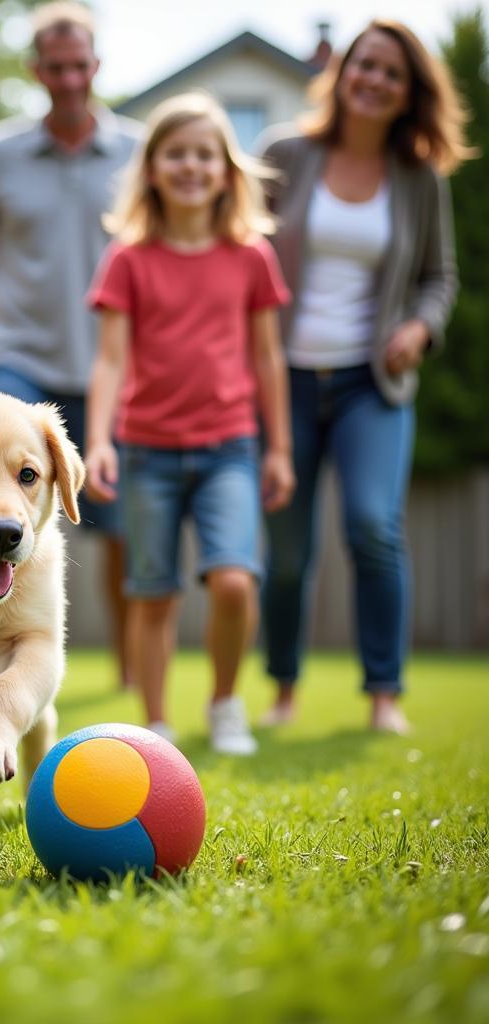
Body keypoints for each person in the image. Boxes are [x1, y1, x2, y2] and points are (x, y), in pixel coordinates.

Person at [258, 20, 471, 735]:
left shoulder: (418, 179)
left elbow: (439, 278)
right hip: (283, 377)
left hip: (370, 384)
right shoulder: (286, 154)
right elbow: (240, 256)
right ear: (343, 72)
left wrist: (420, 325)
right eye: (365, 66)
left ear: (409, 91)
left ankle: (384, 694)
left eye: (392, 73)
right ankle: (283, 690)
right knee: (287, 553)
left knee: (374, 526)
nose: (375, 80)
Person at [84, 92, 295, 755]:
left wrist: (279, 449)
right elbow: (111, 358)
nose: (190, 167)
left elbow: (267, 356)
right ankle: (155, 722)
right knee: (153, 594)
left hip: (230, 446)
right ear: (151, 168)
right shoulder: (128, 257)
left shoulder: (251, 255)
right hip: (146, 451)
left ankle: (226, 703)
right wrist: (97, 440)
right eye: (176, 154)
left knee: (234, 579)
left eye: (205, 154)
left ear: (227, 170)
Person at [0, 1, 142, 686]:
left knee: (115, 528)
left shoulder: (140, 153)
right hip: (15, 356)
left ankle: (125, 669)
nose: (69, 80)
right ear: (36, 71)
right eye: (55, 69)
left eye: (79, 66)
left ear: (97, 67)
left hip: (113, 367)